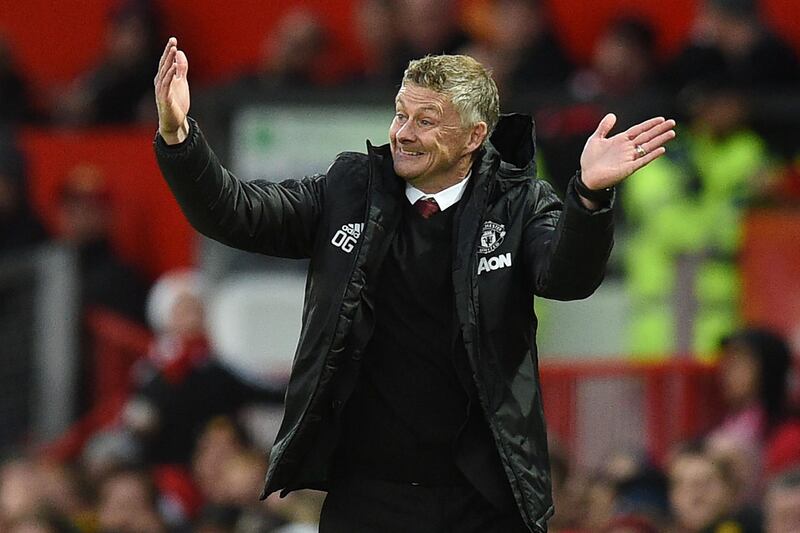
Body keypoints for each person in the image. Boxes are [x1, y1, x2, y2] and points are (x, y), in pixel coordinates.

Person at [153, 36, 675, 532]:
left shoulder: (519, 203)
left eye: (426, 121)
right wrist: (179, 136)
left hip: (484, 495)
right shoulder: (349, 187)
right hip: (368, 493)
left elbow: (567, 278)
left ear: (474, 136)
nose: (403, 132)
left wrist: (586, 197)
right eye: (401, 114)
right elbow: (236, 213)